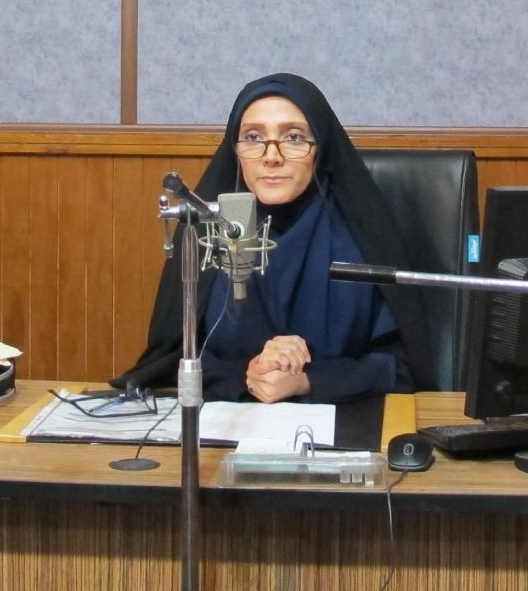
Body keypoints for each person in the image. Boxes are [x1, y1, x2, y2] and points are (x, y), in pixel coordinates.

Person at [112, 73, 431, 404]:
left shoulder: (362, 234)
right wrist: (251, 373)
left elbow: (401, 368)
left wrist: (307, 380)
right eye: (253, 137)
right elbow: (169, 361)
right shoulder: (207, 230)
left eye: (293, 137)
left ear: (320, 149)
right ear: (235, 151)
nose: (271, 156)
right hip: (226, 422)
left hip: (345, 425)